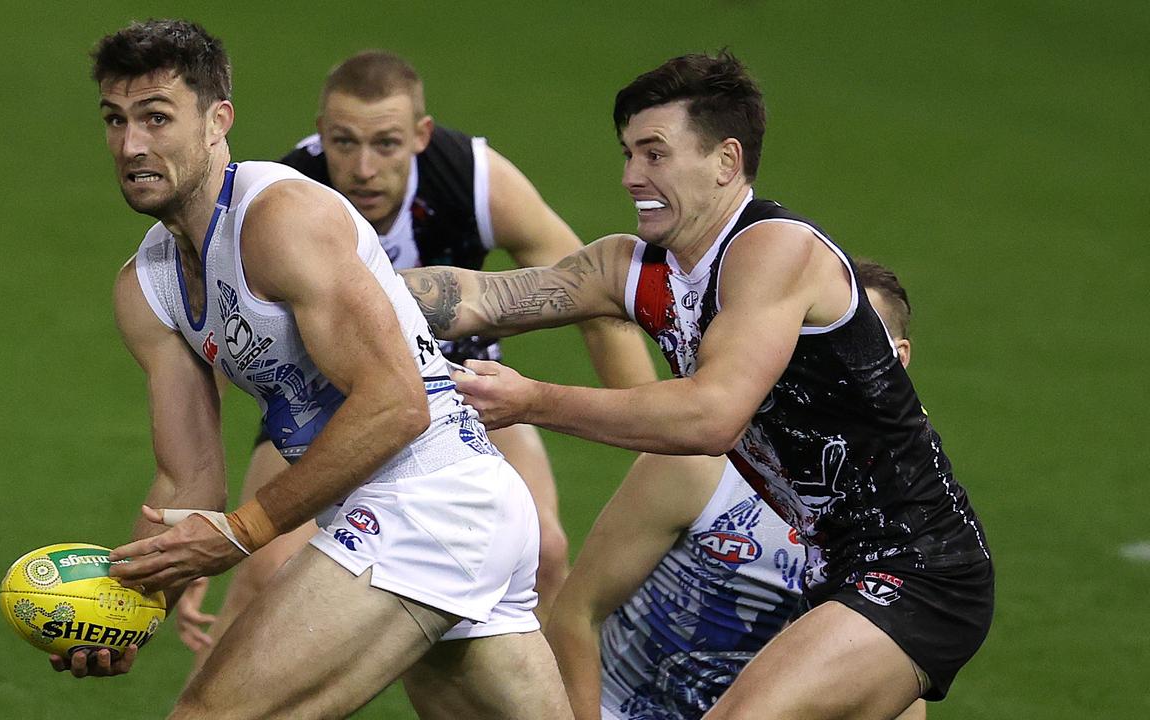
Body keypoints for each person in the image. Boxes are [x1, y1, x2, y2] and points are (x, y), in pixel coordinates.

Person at [402, 51, 993, 720]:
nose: (630, 176)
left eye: (654, 154)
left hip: (921, 568)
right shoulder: (631, 267)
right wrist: (345, 280)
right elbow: (481, 298)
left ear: (725, 161)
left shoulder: (775, 250)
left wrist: (534, 400)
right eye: (627, 154)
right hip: (837, 572)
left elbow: (713, 417)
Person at [57, 19, 571, 719]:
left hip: (432, 503)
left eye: (156, 118)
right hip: (426, 517)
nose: (132, 145)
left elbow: (396, 404)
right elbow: (190, 481)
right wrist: (129, 611)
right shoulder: (145, 287)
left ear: (217, 122)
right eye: (115, 120)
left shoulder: (280, 218)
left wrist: (246, 529)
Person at [174, 50, 656, 660]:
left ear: (421, 137)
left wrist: (652, 449)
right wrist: (203, 517)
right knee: (263, 569)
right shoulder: (276, 200)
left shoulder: (475, 179)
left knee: (547, 552)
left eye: (387, 144)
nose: (364, 168)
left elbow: (596, 298)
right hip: (318, 392)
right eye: (343, 143)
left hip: (459, 381)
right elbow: (212, 342)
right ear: (320, 136)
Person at [545, 261, 927, 720]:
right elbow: (576, 617)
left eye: (855, 342)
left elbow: (896, 672)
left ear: (897, 360)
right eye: (813, 336)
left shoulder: (908, 506)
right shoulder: (704, 459)